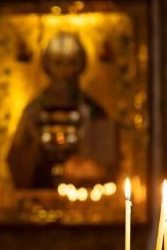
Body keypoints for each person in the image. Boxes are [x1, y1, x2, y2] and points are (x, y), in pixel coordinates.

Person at [6, 31, 120, 189]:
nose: (65, 71)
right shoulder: (33, 113)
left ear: (81, 65)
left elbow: (108, 165)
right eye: (58, 63)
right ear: (48, 65)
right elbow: (17, 161)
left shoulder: (94, 112)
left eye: (71, 62)